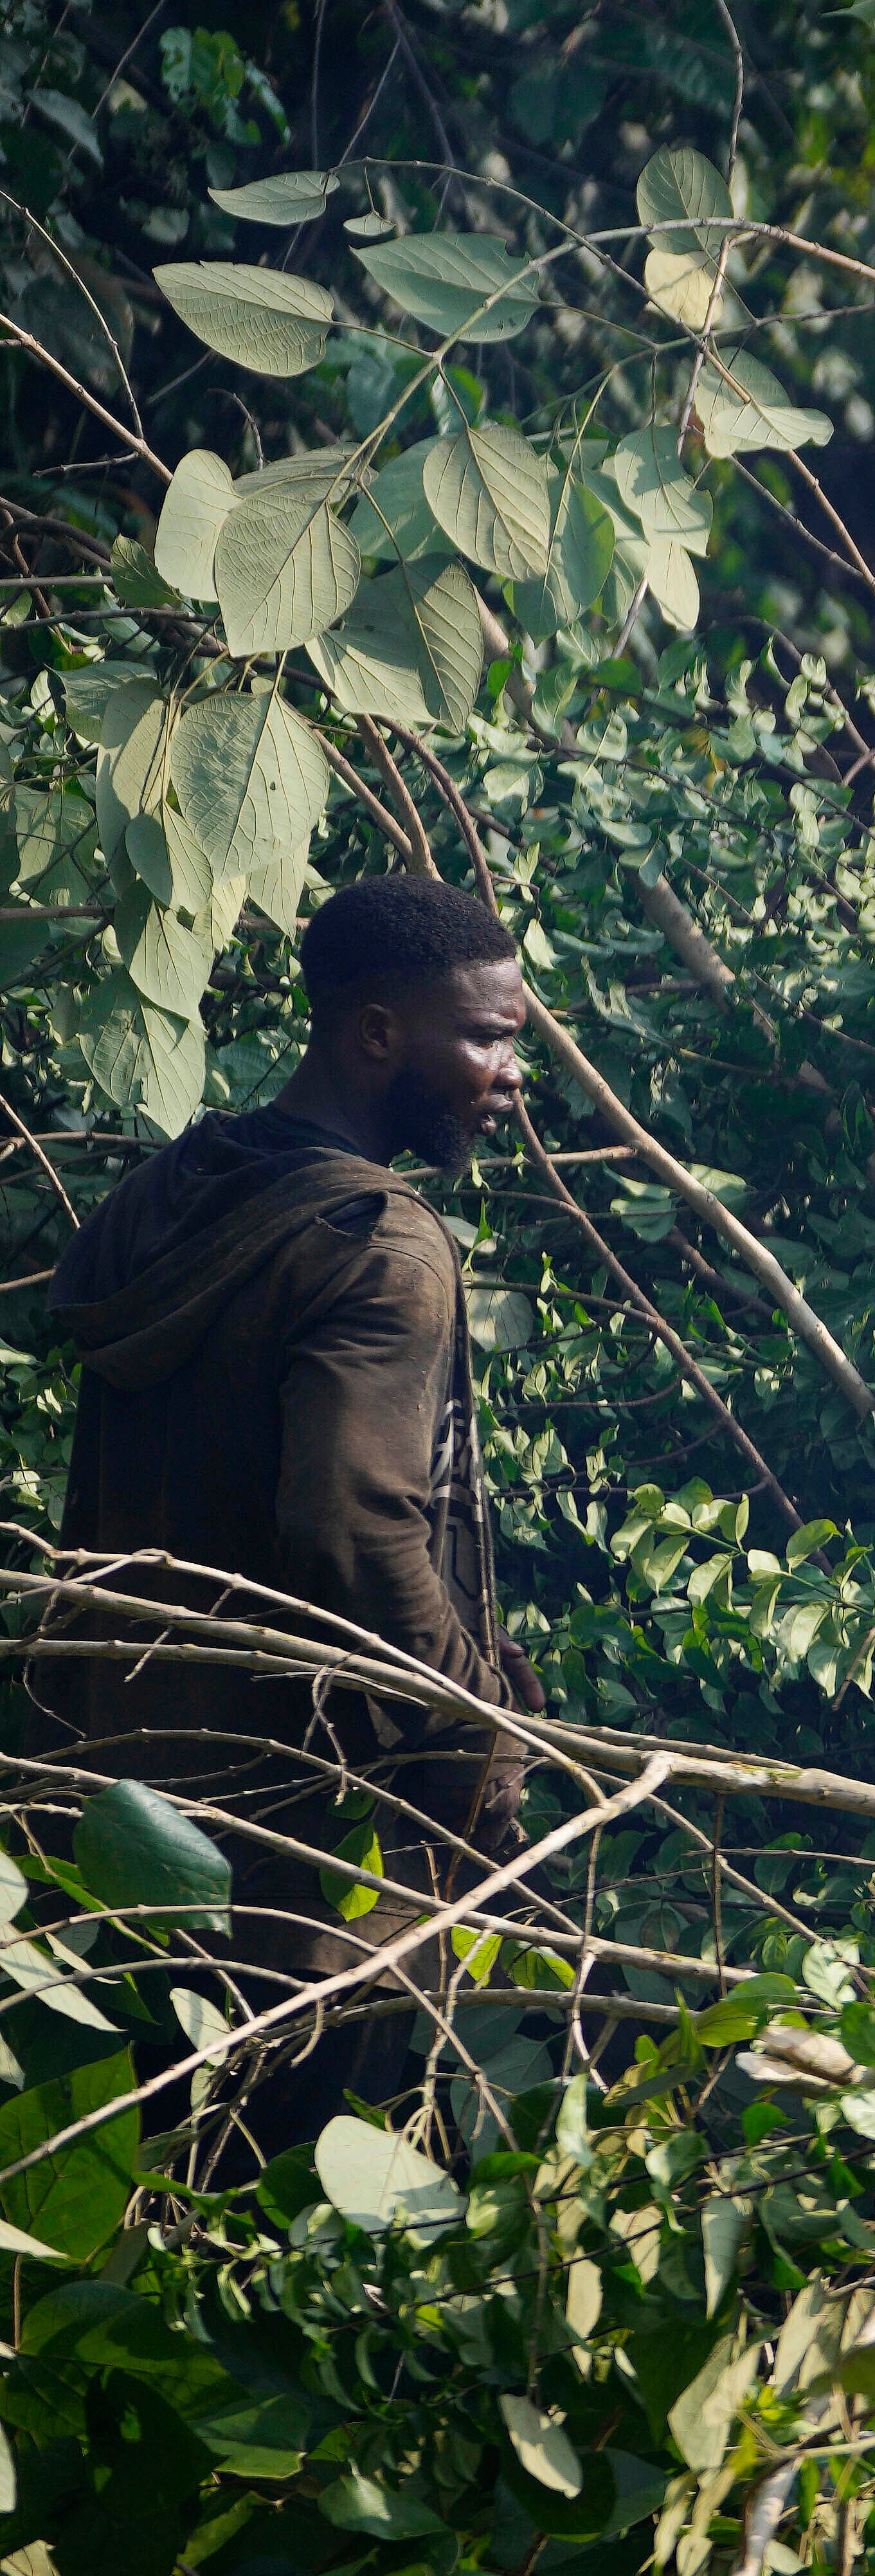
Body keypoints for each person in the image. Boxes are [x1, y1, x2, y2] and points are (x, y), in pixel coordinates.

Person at [43, 876, 537, 2138]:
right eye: (486, 1036)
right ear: (377, 1033)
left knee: (120, 2149)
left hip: (103, 1783)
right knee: (276, 2188)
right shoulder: (380, 1242)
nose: (508, 1073)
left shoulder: (183, 1185)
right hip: (289, 1828)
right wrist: (468, 1728)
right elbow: (354, 1530)